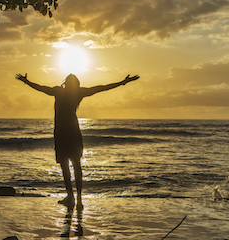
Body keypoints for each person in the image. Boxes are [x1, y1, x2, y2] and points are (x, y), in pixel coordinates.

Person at [16, 72, 139, 208]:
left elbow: (41, 88)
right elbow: (102, 87)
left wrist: (26, 81)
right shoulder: (77, 93)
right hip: (71, 132)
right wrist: (122, 82)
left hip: (62, 133)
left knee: (67, 166)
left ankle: (73, 197)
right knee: (74, 165)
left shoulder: (60, 92)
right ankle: (76, 199)